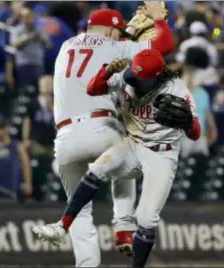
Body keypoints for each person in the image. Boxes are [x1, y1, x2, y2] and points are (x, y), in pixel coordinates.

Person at [32, 3, 174, 267]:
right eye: (118, 32)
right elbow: (164, 45)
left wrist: (126, 32)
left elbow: (95, 56)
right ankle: (123, 226)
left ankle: (86, 264)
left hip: (64, 139)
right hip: (101, 130)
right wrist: (157, 20)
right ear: (111, 31)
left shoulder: (64, 47)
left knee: (79, 211)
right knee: (128, 157)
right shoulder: (113, 46)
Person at [45, 49, 200, 268]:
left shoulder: (176, 90)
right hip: (133, 144)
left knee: (146, 219)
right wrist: (106, 71)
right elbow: (93, 89)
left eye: (139, 78)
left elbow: (196, 133)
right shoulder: (129, 75)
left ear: (154, 77)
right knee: (97, 168)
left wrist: (187, 122)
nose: (133, 80)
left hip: (161, 154)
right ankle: (63, 226)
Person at [0, 122, 32, 201]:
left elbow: (26, 165)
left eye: (0, 129)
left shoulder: (18, 146)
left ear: (5, 130)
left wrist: (28, 183)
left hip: (15, 186)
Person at [9, 6, 50, 88]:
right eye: (25, 17)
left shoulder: (39, 29)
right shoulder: (17, 30)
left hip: (37, 63)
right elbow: (14, 45)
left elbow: (49, 45)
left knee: (38, 89)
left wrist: (41, 38)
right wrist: (27, 38)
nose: (28, 19)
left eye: (29, 16)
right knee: (24, 90)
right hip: (23, 64)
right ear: (21, 18)